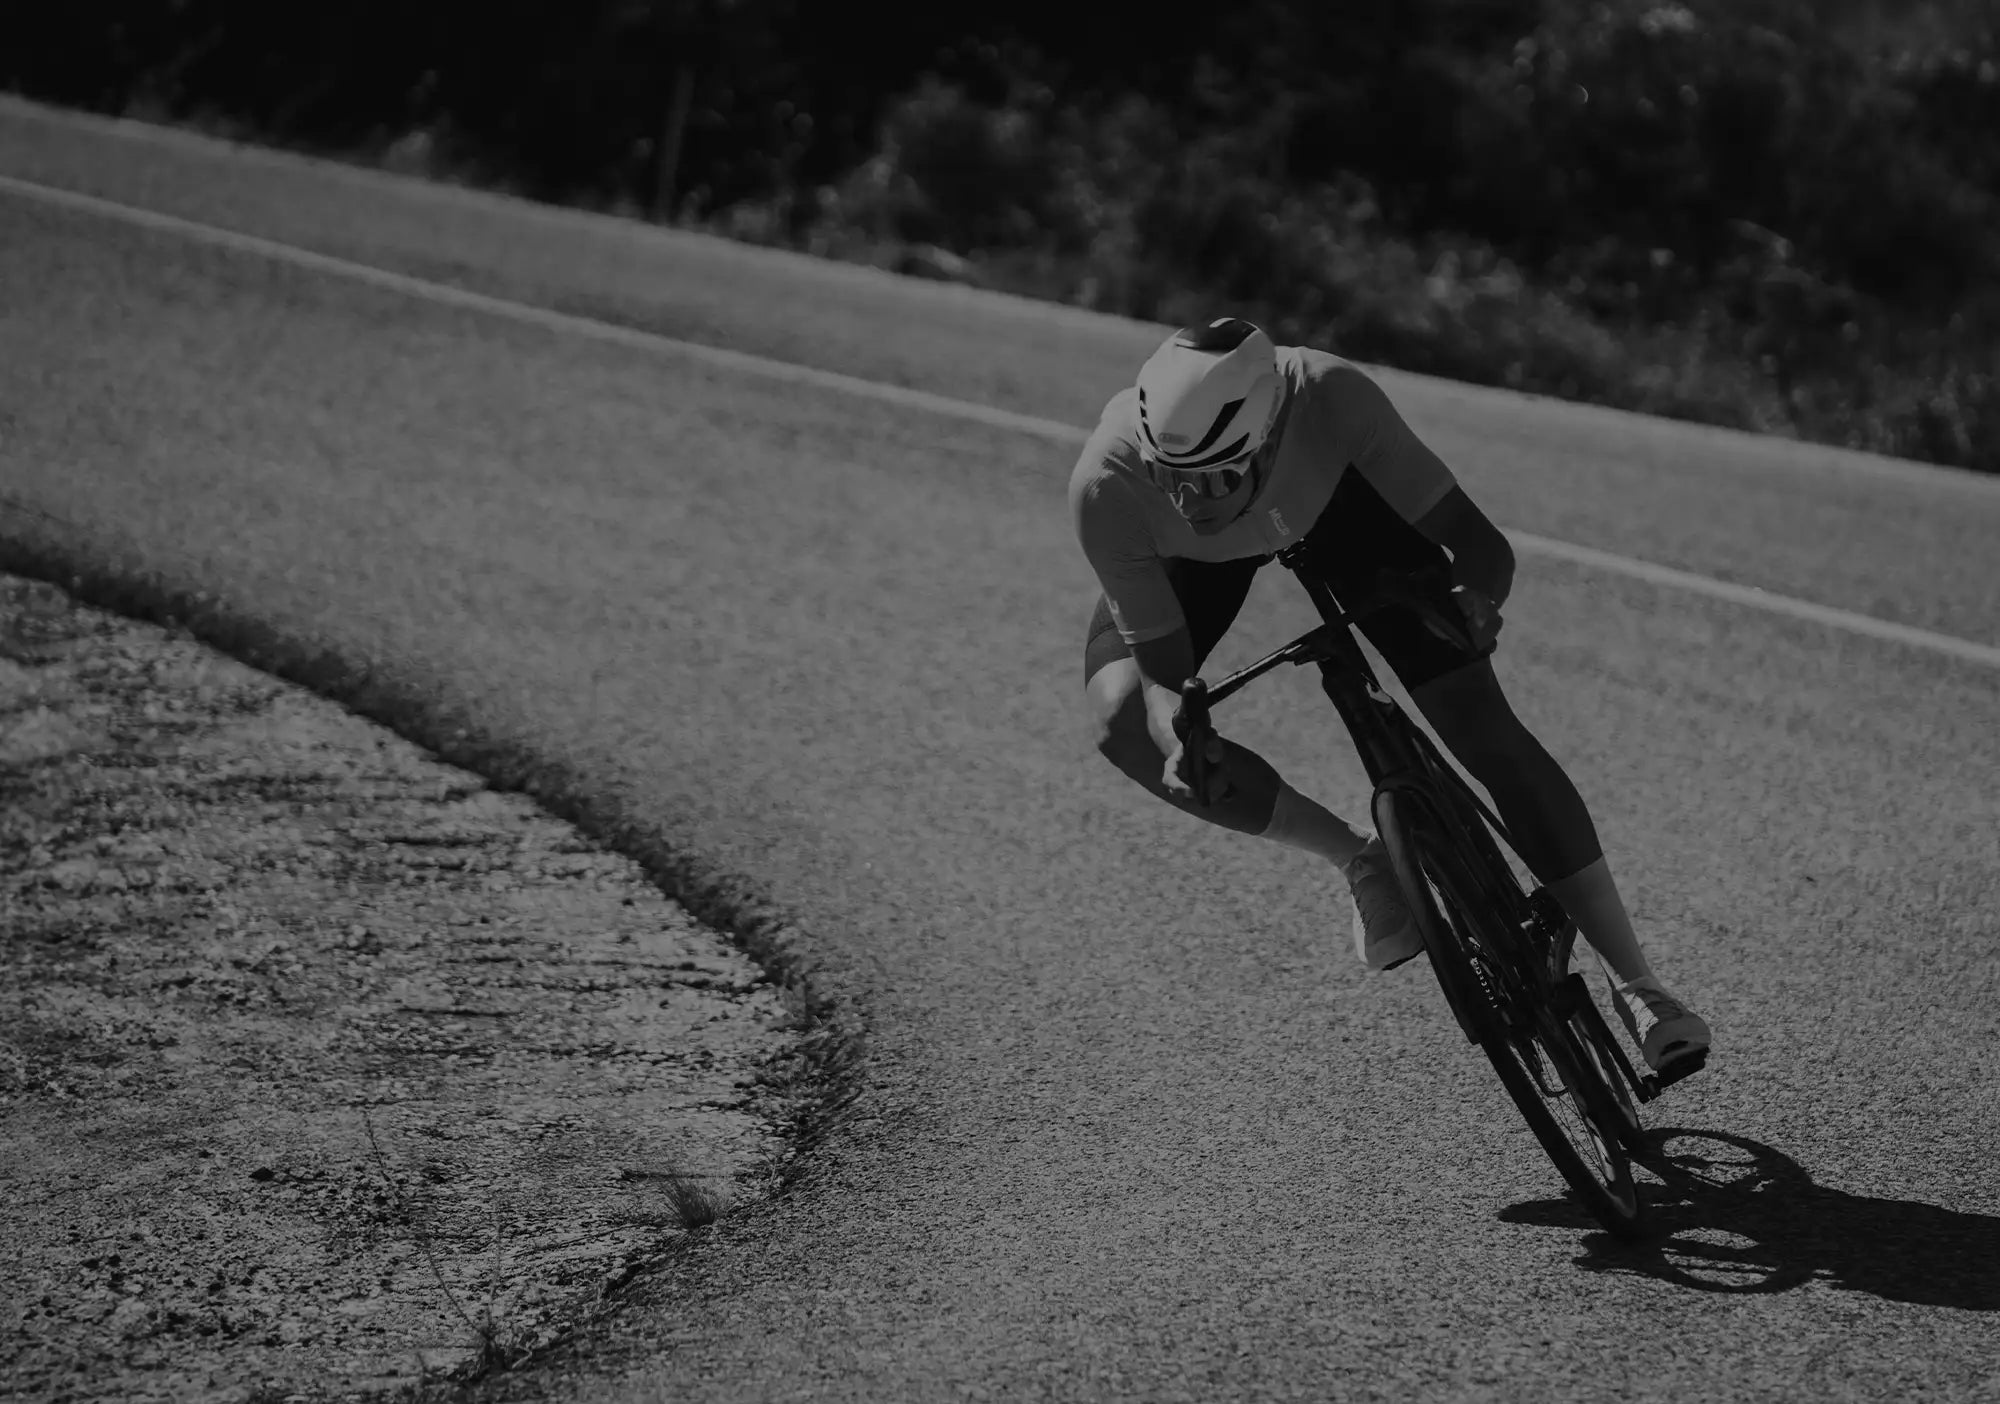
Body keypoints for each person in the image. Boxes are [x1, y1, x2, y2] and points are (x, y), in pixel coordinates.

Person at [1071, 317, 1711, 1073]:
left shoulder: (1331, 398)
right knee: (1127, 730)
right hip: (1189, 568)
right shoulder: (1110, 486)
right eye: (1171, 475)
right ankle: (1363, 861)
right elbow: (1162, 674)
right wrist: (1182, 738)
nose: (1189, 498)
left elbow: (1478, 545)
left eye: (1212, 477)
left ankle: (1638, 985)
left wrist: (1476, 599)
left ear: (1269, 438)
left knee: (1480, 724)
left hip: (1341, 509)